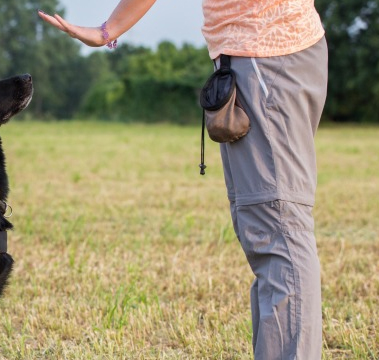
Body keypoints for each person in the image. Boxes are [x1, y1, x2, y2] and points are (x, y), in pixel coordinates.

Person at [39, 1, 327, 359]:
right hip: (270, 54)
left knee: (278, 228)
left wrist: (107, 30)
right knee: (268, 228)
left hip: (266, 57)